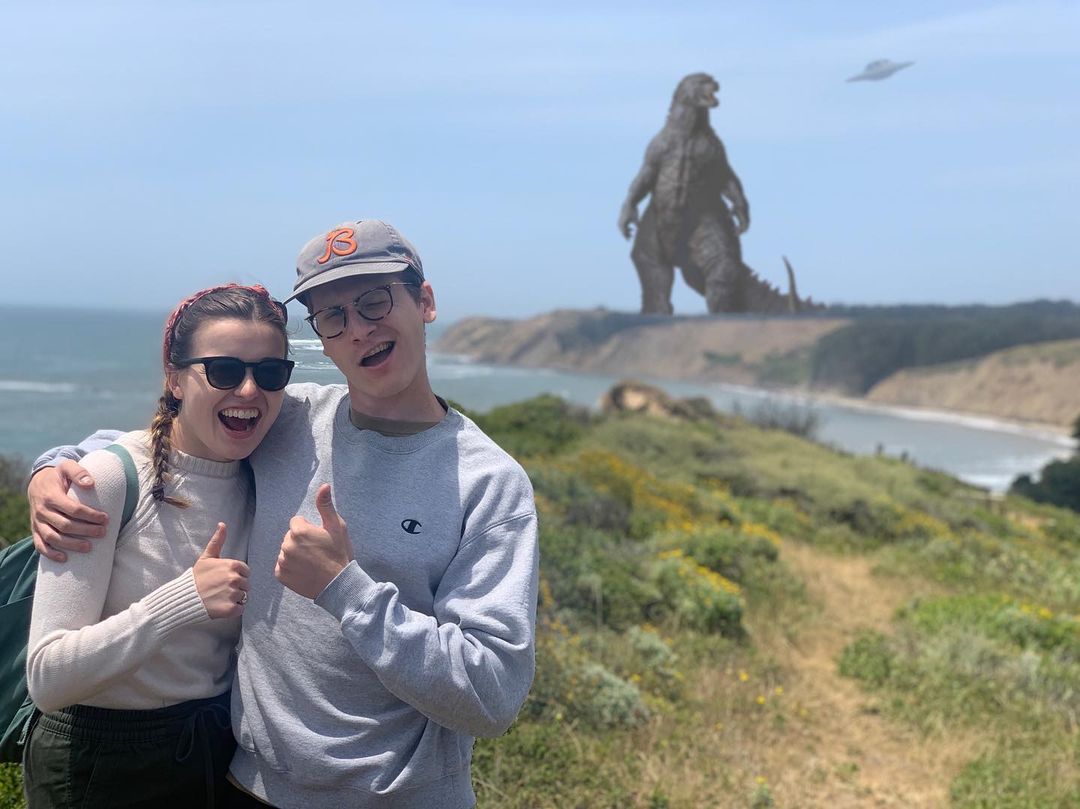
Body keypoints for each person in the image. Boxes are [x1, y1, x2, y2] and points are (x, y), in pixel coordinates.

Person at [28, 219, 540, 809]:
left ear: (424, 301)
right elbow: (181, 431)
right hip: (244, 784)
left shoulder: (490, 484)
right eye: (333, 316)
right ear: (320, 338)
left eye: (375, 301)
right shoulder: (288, 420)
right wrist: (58, 464)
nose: (359, 329)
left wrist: (346, 591)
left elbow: (493, 697)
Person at [23, 284, 293, 808]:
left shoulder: (263, 474)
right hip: (99, 758)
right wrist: (180, 603)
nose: (248, 391)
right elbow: (47, 678)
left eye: (269, 373)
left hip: (213, 749)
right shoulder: (106, 480)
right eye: (223, 371)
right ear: (174, 377)